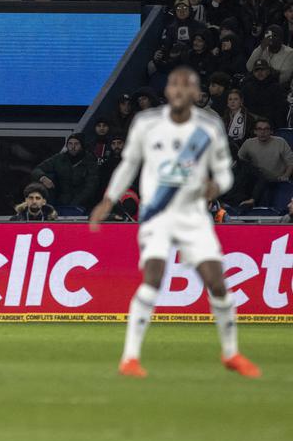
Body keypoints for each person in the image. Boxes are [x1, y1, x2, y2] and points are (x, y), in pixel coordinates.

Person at [92, 65, 260, 378]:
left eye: (188, 85)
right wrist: (108, 200)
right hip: (157, 215)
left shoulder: (208, 127)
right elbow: (129, 165)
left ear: (196, 93)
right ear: (168, 91)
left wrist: (216, 185)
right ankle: (130, 357)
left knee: (218, 283)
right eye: (174, 85)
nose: (180, 90)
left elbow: (225, 171)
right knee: (153, 279)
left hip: (194, 216)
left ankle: (231, 354)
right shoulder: (147, 123)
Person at [30, 134, 99, 207]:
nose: (73, 147)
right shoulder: (59, 159)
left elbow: (91, 187)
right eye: (70, 144)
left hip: (83, 204)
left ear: (82, 146)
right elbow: (36, 170)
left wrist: (74, 204)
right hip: (60, 202)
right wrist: (43, 178)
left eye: (76, 144)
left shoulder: (90, 161)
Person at [238, 118, 293, 183]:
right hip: (256, 182)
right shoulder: (248, 143)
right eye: (259, 129)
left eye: (266, 129)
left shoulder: (280, 142)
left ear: (271, 131)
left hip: (278, 181)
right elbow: (238, 160)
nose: (262, 132)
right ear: (255, 131)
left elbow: (291, 163)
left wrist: (285, 176)